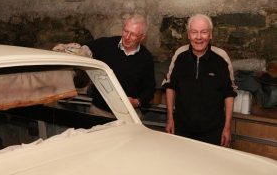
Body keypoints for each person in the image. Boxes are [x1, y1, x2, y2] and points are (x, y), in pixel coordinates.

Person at [163, 14, 237, 147]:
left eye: (203, 32)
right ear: (188, 35)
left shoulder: (221, 58)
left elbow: (229, 94)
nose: (198, 37)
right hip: (181, 129)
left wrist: (227, 127)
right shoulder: (180, 55)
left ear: (210, 35)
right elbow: (171, 86)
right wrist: (170, 119)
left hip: (213, 132)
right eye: (194, 32)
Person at [87, 13, 156, 118]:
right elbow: (82, 50)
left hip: (128, 115)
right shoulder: (105, 45)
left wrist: (137, 102)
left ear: (142, 37)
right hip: (99, 111)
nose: (127, 37)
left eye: (133, 34)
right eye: (125, 31)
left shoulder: (146, 58)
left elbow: (149, 89)